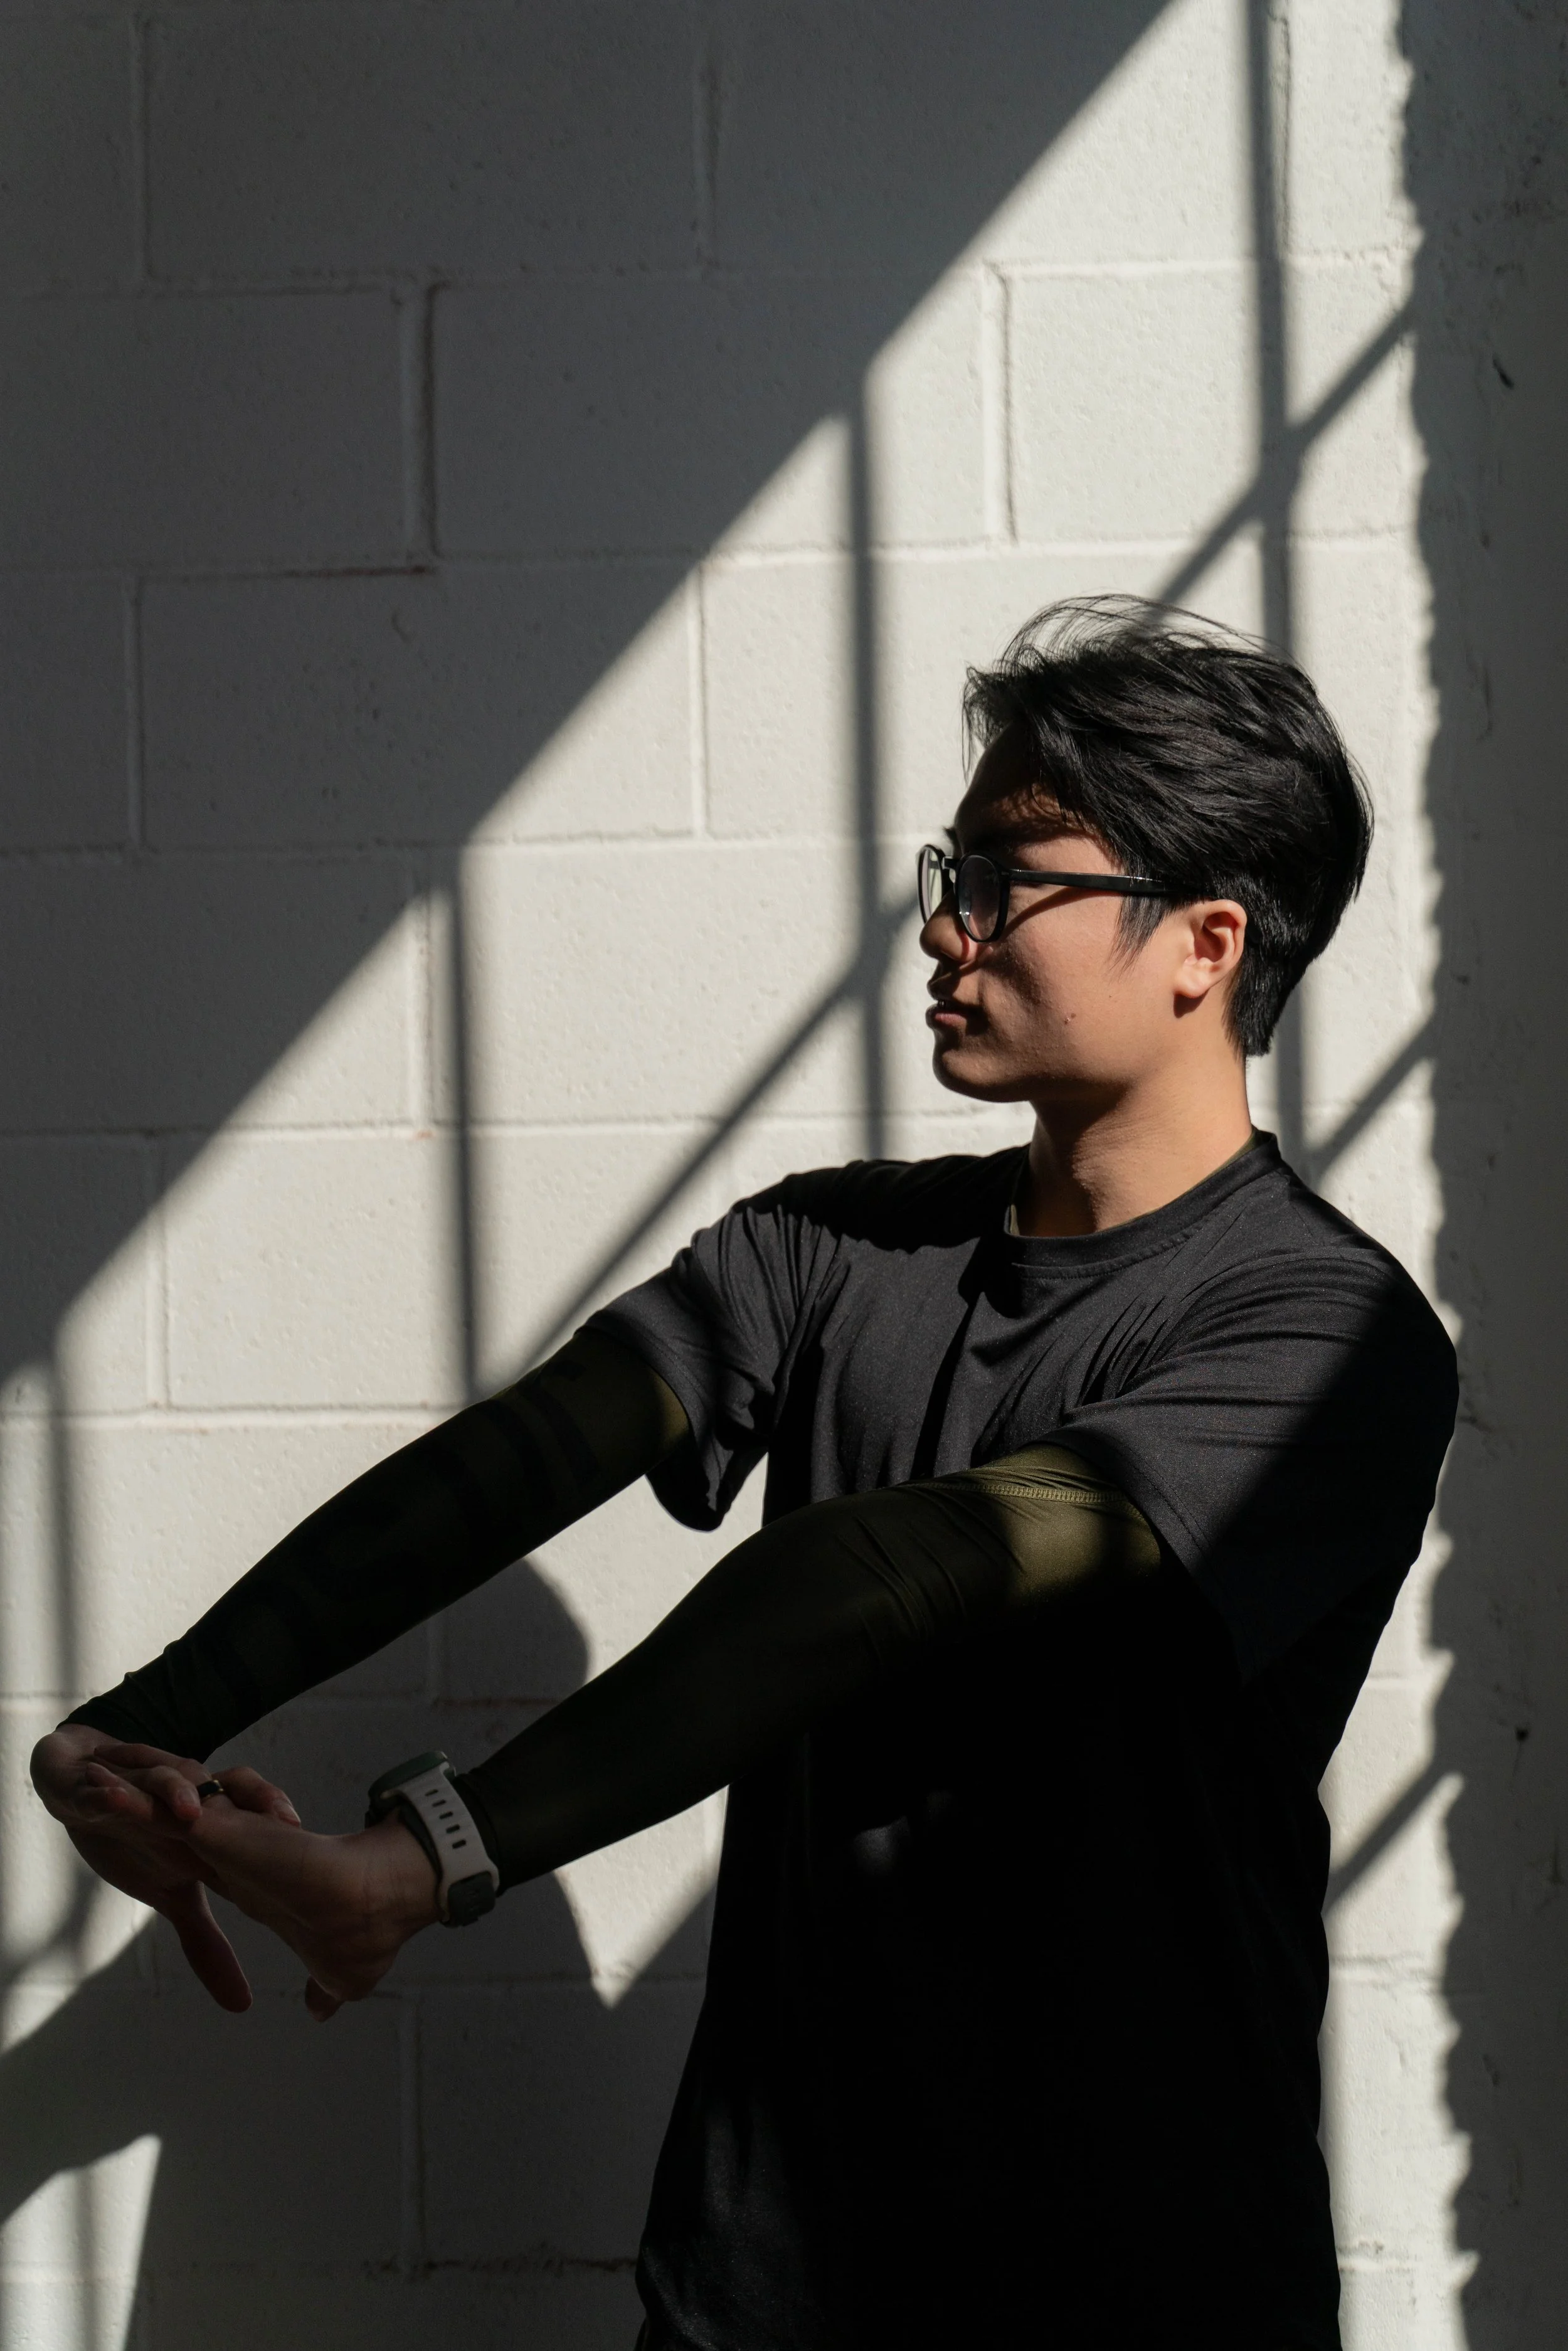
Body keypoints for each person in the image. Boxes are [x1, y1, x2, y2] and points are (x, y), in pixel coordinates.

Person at [33, 597, 1457, 2351]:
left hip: (1136, 2280)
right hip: (758, 2284)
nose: (942, 925)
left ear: (1203, 944)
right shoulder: (829, 1248)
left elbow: (875, 1581)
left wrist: (423, 1859)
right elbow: (513, 1464)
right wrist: (146, 1724)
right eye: (948, 870)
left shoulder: (1328, 1340)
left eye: (1006, 882)